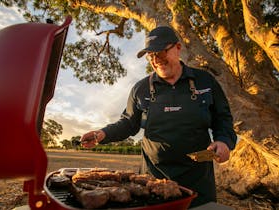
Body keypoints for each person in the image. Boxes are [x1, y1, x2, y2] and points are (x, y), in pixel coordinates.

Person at [80, 26, 237, 208]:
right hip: (152, 179)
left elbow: (223, 119)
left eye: (161, 53)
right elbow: (128, 123)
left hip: (198, 179)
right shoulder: (141, 89)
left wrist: (224, 141)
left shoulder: (205, 81)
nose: (157, 60)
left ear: (178, 48)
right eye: (151, 56)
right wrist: (102, 134)